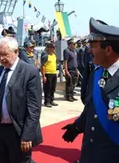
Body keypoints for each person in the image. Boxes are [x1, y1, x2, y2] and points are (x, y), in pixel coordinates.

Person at [62, 17, 119, 163]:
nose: (89, 50)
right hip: (90, 154)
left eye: (93, 45)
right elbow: (91, 107)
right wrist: (78, 126)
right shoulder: (98, 73)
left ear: (107, 50)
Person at [0, 37, 42, 163]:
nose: (1, 59)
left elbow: (34, 107)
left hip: (17, 131)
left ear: (15, 52)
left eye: (5, 54)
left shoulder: (30, 72)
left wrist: (27, 136)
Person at [41, 41, 58, 107]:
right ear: (49, 48)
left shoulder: (54, 55)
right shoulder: (45, 56)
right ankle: (47, 101)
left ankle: (51, 100)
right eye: (52, 48)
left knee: (53, 88)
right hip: (48, 74)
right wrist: (43, 76)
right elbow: (42, 66)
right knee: (47, 88)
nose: (53, 49)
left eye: (54, 48)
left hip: (54, 73)